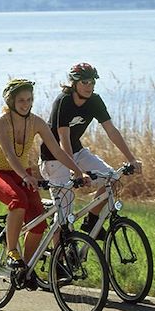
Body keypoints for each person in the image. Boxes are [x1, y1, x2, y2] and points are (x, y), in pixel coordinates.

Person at [0, 79, 91, 288]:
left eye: (29, 99)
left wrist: (78, 172)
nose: (26, 104)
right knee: (18, 200)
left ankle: (26, 267)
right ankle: (12, 252)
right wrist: (25, 176)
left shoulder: (36, 122)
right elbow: (9, 154)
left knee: (40, 223)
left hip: (23, 174)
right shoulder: (1, 122)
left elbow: (57, 151)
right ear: (11, 101)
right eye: (21, 100)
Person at [38, 63, 142, 239]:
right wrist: (75, 171)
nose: (89, 86)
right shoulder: (63, 101)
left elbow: (111, 130)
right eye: (84, 82)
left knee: (112, 178)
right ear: (74, 83)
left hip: (76, 151)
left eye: (92, 82)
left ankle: (91, 220)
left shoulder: (95, 100)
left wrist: (131, 159)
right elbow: (63, 138)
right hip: (54, 159)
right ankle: (60, 264)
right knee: (64, 216)